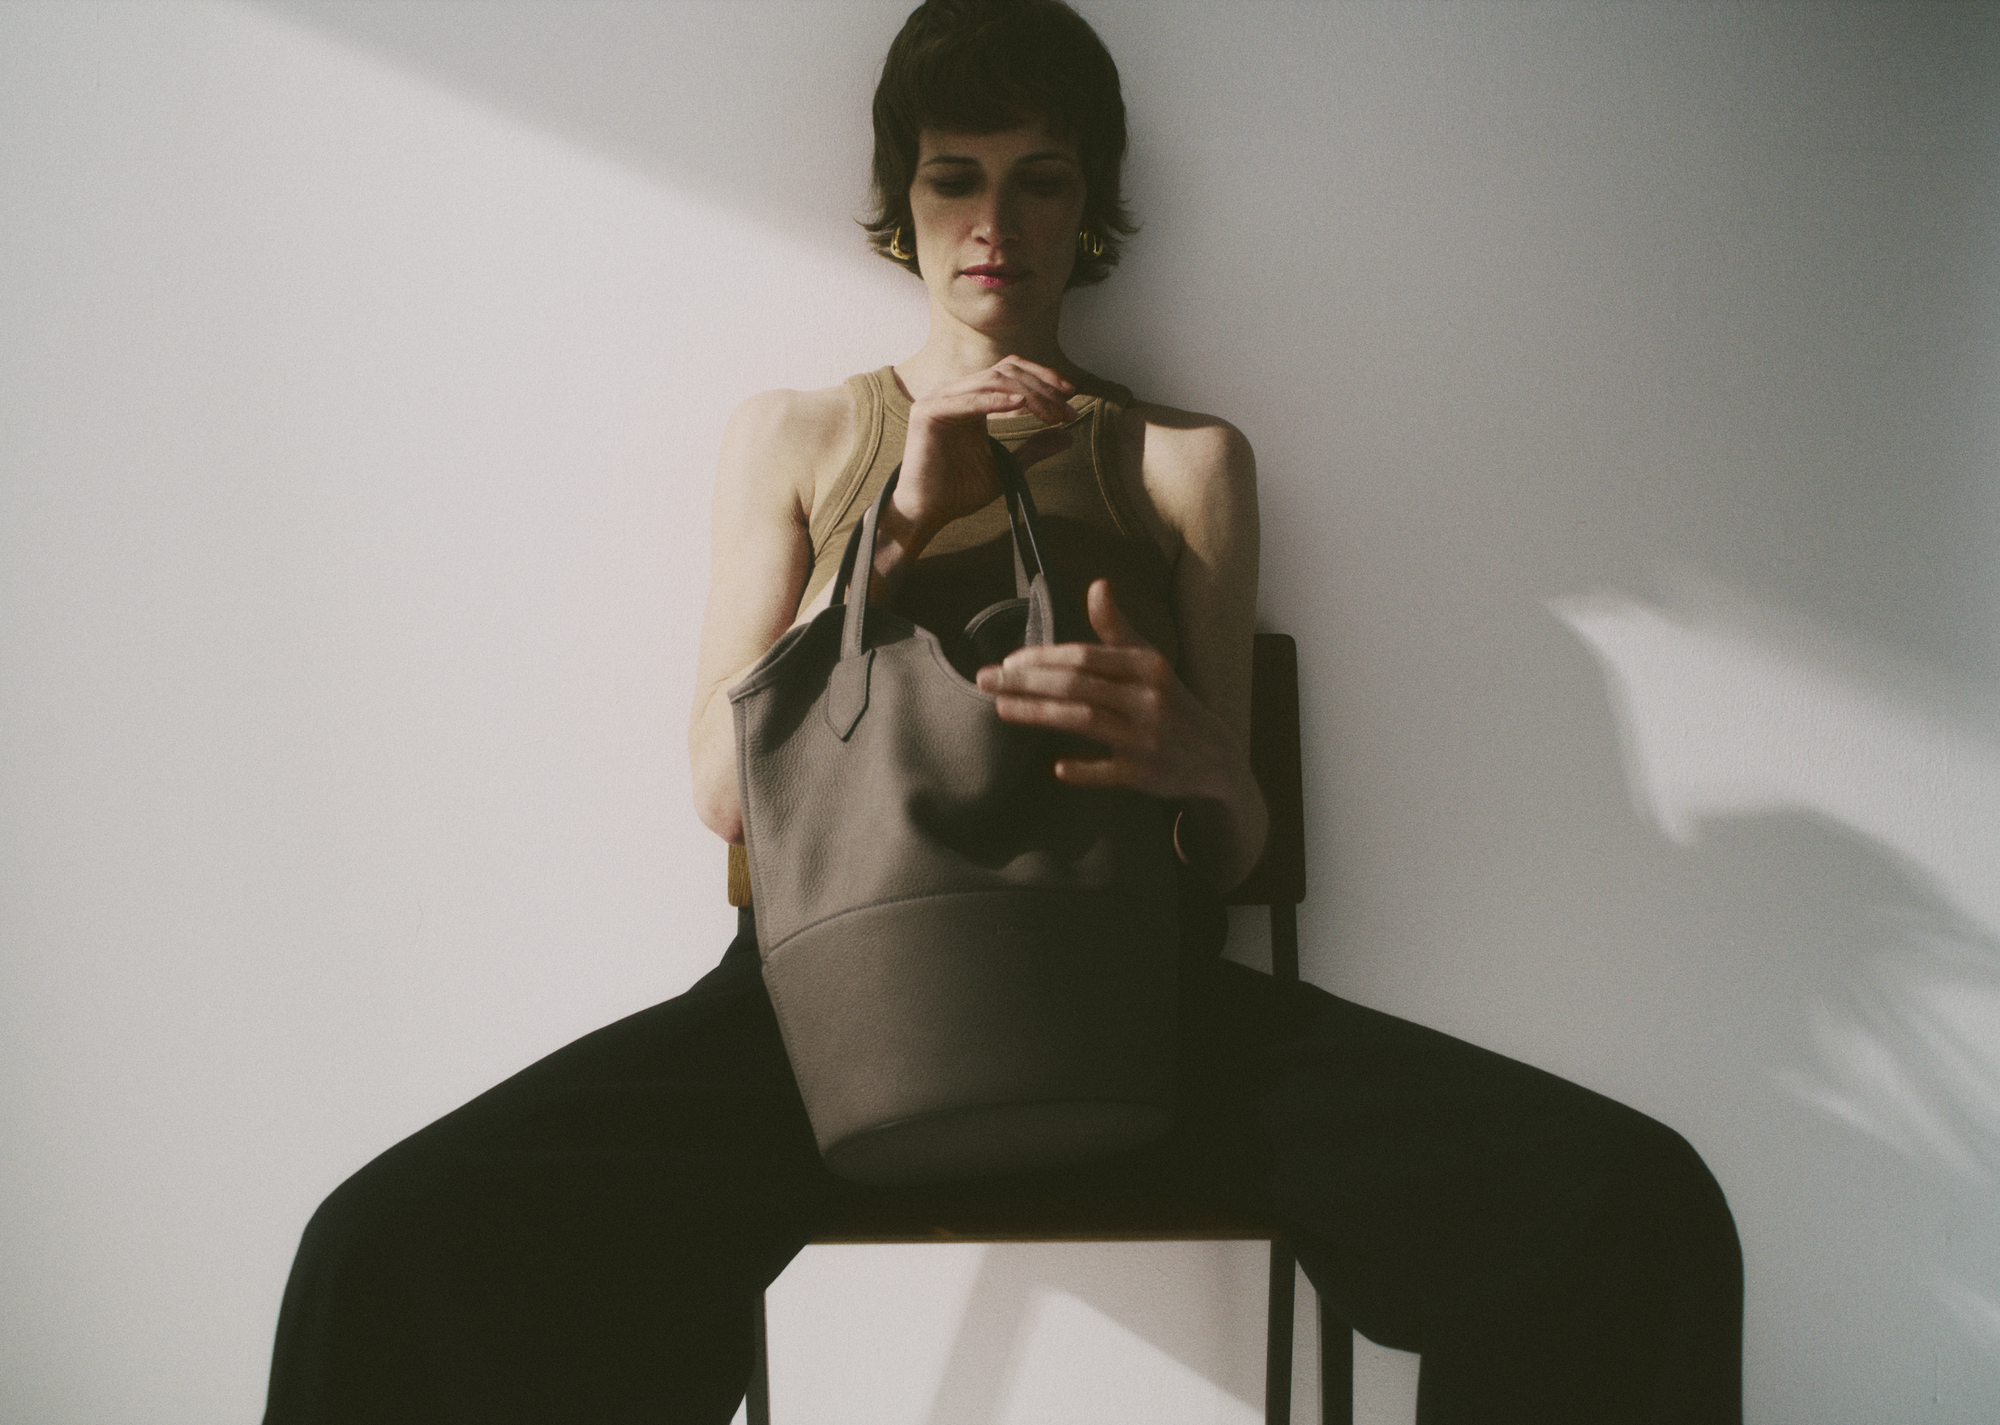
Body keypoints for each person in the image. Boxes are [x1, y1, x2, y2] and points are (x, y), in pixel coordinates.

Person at [264, 2, 1744, 1421]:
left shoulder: (1184, 460)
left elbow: (1228, 858)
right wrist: (896, 532)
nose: (997, 221)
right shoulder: (797, 435)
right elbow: (725, 789)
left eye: (1042, 178)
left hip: (1135, 1014)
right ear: (899, 204)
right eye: (954, 177)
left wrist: (1209, 768)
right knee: (381, 1250)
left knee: (1630, 1203)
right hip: (819, 1019)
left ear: (1089, 206)